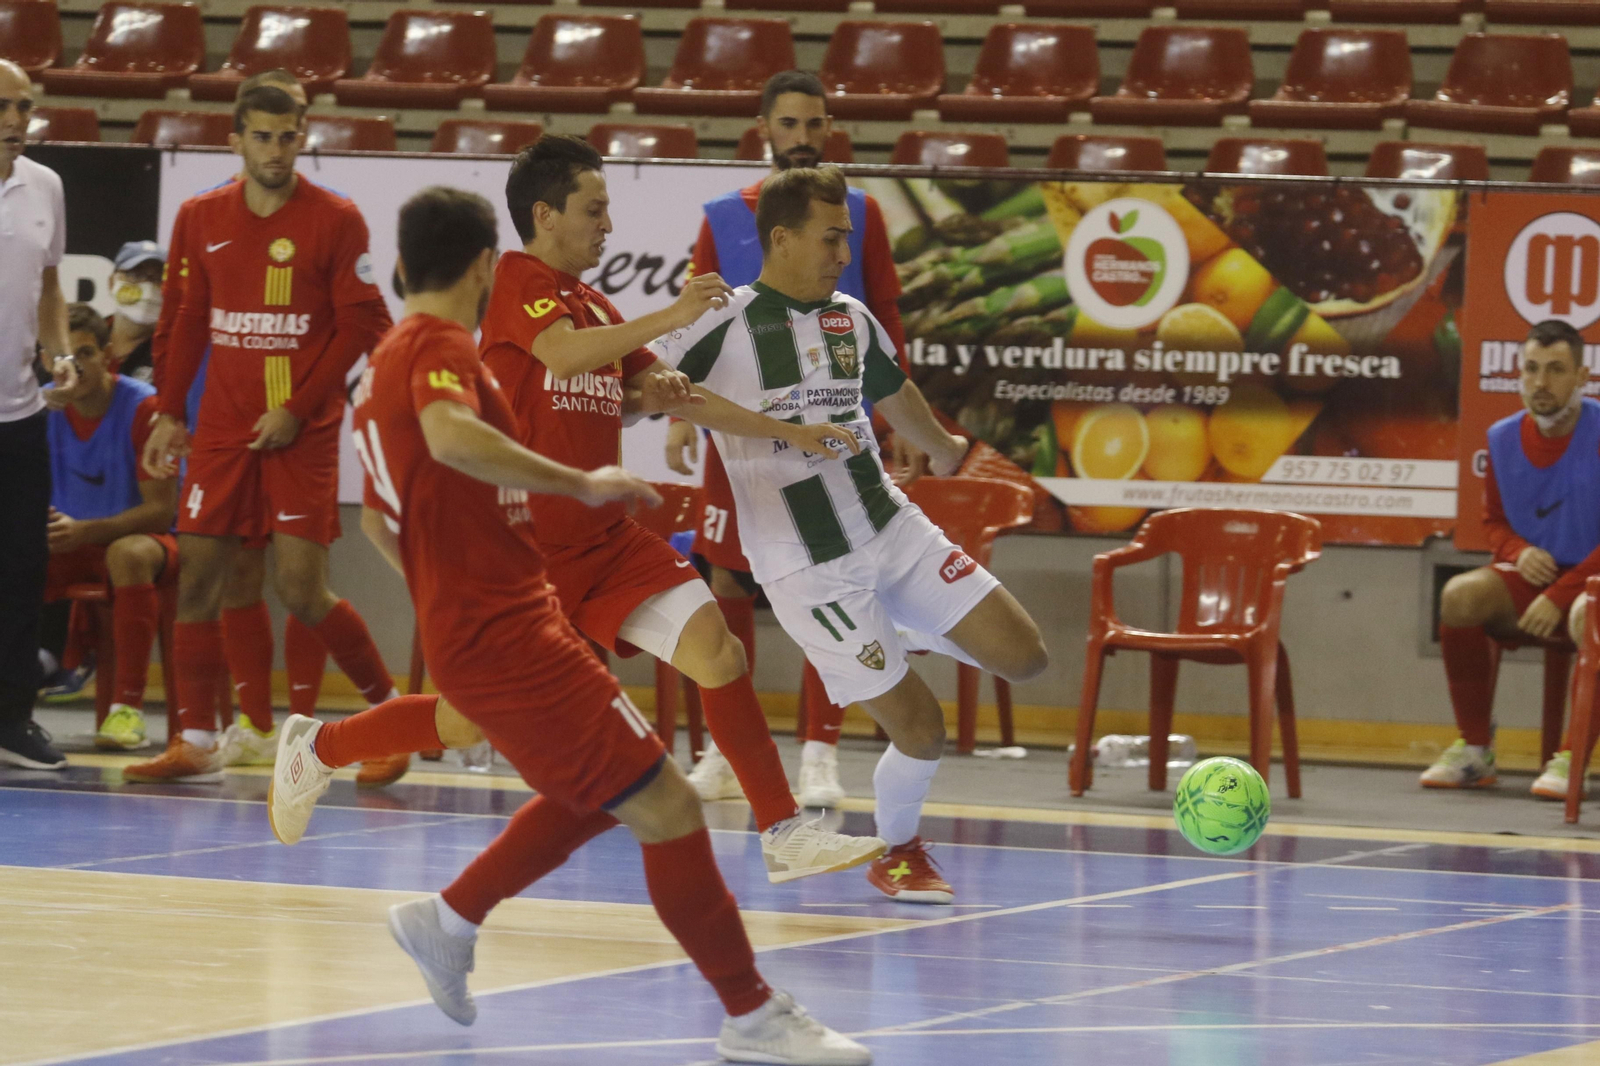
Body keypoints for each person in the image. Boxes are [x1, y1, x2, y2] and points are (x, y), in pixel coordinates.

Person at [267, 185, 871, 1064]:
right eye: (590, 207)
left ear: (399, 267)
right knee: (662, 803)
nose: (604, 224)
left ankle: (449, 917)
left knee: (614, 789)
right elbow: (447, 437)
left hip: (518, 615)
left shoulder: (408, 353)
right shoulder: (436, 348)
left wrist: (454, 586)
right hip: (507, 631)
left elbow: (377, 521)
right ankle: (750, 1014)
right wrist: (576, 484)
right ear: (486, 264)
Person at [650, 166, 1049, 904]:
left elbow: (897, 395)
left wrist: (960, 455)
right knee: (923, 731)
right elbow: (634, 392)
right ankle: (899, 854)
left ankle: (906, 628)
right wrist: (680, 408)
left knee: (1025, 656)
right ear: (781, 238)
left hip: (892, 528)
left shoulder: (851, 317)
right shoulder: (721, 322)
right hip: (810, 568)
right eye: (831, 238)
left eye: (848, 238)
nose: (843, 252)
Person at [128, 83, 395, 783]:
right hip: (220, 428)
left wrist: (299, 408)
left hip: (300, 431)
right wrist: (170, 411)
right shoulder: (199, 215)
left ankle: (395, 723)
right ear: (236, 140)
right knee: (199, 582)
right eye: (264, 136)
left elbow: (364, 323)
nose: (277, 149)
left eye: (288, 135)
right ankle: (195, 740)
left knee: (303, 590)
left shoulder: (336, 219)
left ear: (303, 136)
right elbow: (185, 317)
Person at [666, 70, 918, 808]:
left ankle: (819, 752)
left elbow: (888, 319)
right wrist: (683, 413)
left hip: (834, 431)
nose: (802, 137)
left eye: (815, 124)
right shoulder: (721, 214)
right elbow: (693, 326)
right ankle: (722, 753)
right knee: (724, 580)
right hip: (743, 436)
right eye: (789, 124)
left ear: (830, 130)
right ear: (765, 130)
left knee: (840, 582)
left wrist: (892, 415)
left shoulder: (862, 215)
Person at [1424, 319, 1600, 800]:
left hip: (1591, 586)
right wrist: (1519, 553)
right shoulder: (1502, 438)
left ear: (1582, 378)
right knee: (1459, 597)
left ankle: (1572, 756)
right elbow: (1494, 522)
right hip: (1533, 579)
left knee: (1591, 615)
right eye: (1531, 369)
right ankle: (1476, 751)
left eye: (1556, 370)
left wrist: (1562, 594)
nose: (1541, 382)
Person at [41, 305, 178, 749]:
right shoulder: (39, 407)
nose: (74, 366)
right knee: (15, 555)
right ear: (48, 360)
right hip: (72, 544)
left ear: (107, 355)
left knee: (128, 553)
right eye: (63, 356)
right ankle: (14, 703)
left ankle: (127, 711)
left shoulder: (145, 406)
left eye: (85, 353)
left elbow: (160, 511)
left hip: (151, 543)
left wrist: (85, 531)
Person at [0, 58, 76, 770]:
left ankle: (13, 718)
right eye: (3, 107)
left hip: (20, 419)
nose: (16, 121)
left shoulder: (45, 186)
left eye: (24, 107)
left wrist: (59, 353)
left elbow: (51, 288)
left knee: (22, 569)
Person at [103, 239, 166, 383]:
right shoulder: (86, 336)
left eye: (159, 279)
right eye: (135, 275)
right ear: (112, 282)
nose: (148, 286)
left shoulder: (173, 352)